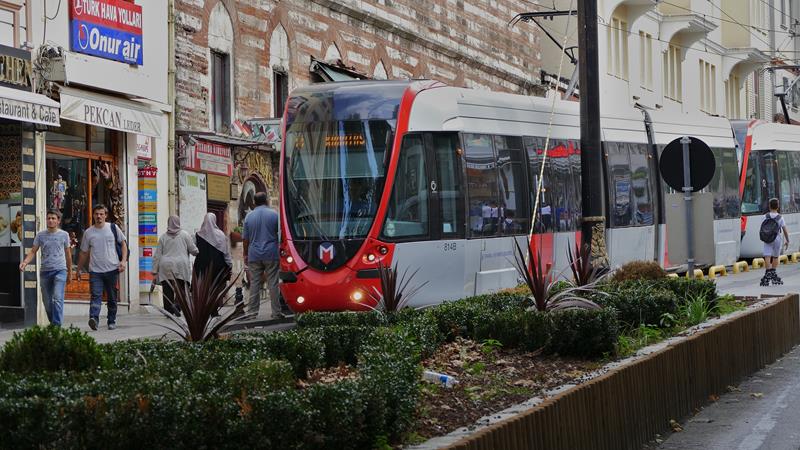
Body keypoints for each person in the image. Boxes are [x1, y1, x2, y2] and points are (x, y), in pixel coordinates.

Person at [77, 204, 127, 331]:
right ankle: (94, 319)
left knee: (112, 297)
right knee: (96, 296)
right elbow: (83, 252)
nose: (99, 216)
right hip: (95, 271)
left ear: (105, 215)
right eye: (96, 214)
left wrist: (123, 261)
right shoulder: (89, 232)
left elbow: (123, 244)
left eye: (101, 214)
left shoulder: (113, 228)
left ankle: (111, 321)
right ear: (93, 215)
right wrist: (78, 269)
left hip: (112, 269)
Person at [19, 209, 72, 326]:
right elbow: (33, 251)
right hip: (45, 271)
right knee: (47, 302)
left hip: (60, 270)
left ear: (58, 221)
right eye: (48, 218)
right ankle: (53, 323)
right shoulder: (40, 235)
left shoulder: (64, 235)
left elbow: (68, 254)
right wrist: (25, 262)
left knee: (57, 298)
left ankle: (56, 327)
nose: (50, 220)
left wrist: (70, 272)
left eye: (53, 218)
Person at [243, 192, 284, 318]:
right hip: (271, 253)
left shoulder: (249, 217)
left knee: (255, 283)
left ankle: (252, 313)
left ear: (254, 202)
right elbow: (280, 235)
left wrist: (246, 254)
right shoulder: (274, 215)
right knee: (273, 283)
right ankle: (276, 312)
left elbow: (245, 239)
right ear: (266, 200)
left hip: (254, 254)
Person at [152, 215, 198, 316]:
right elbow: (193, 250)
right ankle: (177, 305)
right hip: (181, 265)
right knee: (181, 288)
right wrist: (197, 252)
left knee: (167, 288)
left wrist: (154, 270)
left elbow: (157, 255)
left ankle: (168, 310)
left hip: (166, 265)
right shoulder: (185, 235)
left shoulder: (163, 237)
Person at [193, 212, 232, 285]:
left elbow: (194, 250)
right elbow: (226, 252)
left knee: (201, 291)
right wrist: (230, 265)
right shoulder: (221, 235)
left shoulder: (198, 235)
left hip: (201, 267)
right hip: (217, 267)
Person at [760, 198, 790, 287]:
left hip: (767, 238)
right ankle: (773, 272)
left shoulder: (765, 216)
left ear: (769, 206)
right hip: (777, 238)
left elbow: (762, 228)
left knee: (767, 255)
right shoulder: (780, 217)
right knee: (775, 256)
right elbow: (785, 230)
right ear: (778, 207)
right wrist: (787, 240)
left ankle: (768, 272)